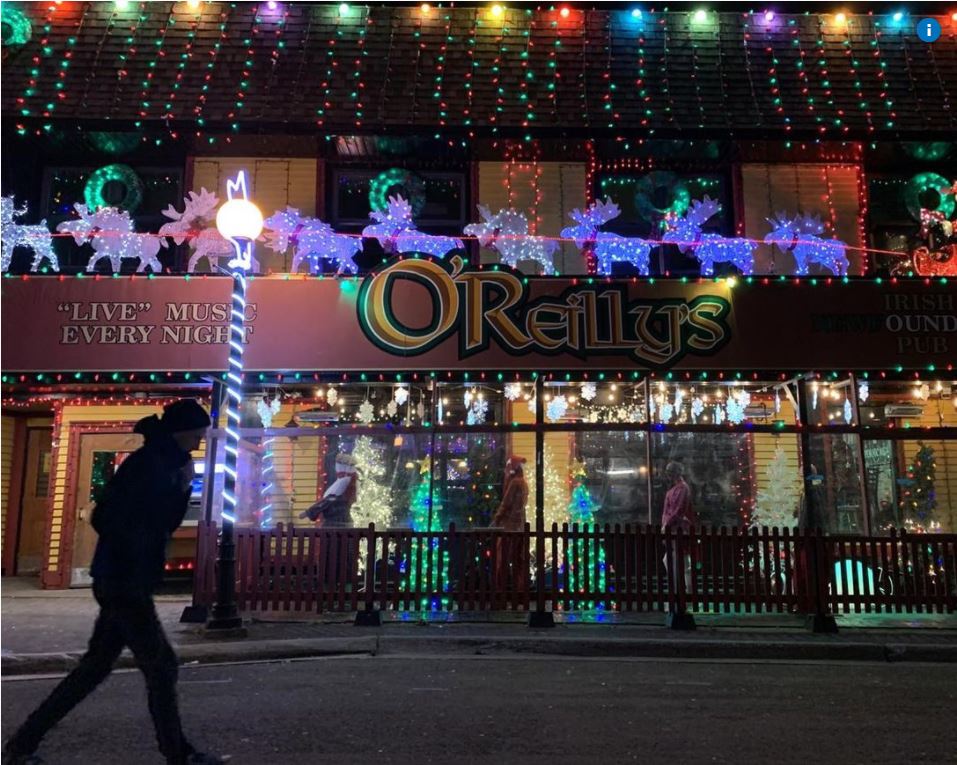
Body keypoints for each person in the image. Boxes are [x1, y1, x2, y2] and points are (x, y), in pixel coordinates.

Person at [3, 399, 226, 765]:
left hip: (121, 578)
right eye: (197, 434)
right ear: (182, 432)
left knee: (94, 668)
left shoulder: (168, 463)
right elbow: (114, 516)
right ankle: (177, 753)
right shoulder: (153, 465)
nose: (200, 441)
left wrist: (180, 488)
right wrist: (133, 554)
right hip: (125, 581)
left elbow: (155, 520)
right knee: (161, 666)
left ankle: (22, 744)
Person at [492, 455, 529, 591]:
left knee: (502, 558)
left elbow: (506, 503)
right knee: (519, 559)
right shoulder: (524, 483)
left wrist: (497, 518)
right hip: (520, 526)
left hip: (509, 527)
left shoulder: (514, 483)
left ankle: (499, 589)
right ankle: (520, 589)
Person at [660, 461, 697, 595]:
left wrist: (667, 524)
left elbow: (678, 510)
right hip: (675, 528)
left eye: (670, 472)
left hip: (679, 529)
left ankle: (683, 591)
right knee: (676, 560)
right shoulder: (675, 489)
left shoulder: (682, 489)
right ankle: (684, 590)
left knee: (679, 560)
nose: (668, 475)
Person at [299, 451, 360, 526]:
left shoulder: (343, 482)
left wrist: (308, 512)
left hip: (335, 524)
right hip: (345, 523)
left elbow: (327, 501)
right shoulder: (351, 481)